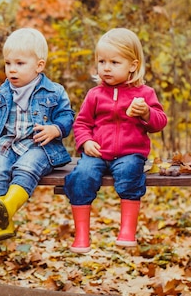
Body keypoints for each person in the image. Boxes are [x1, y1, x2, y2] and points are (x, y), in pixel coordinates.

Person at [63, 27, 167, 253]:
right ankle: (81, 235)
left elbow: (160, 122)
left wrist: (146, 113)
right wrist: (86, 142)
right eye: (102, 61)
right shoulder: (95, 95)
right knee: (81, 176)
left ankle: (127, 231)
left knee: (131, 173)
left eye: (114, 62)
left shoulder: (145, 93)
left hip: (130, 153)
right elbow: (81, 123)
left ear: (133, 65)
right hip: (98, 152)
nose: (106, 68)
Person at [0, 28, 75, 242]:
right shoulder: (2, 91)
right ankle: (4, 222)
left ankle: (9, 205)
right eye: (8, 63)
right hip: (7, 143)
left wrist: (55, 129)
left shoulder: (54, 91)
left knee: (27, 167)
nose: (12, 70)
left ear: (39, 66)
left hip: (38, 145)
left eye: (20, 64)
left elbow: (67, 117)